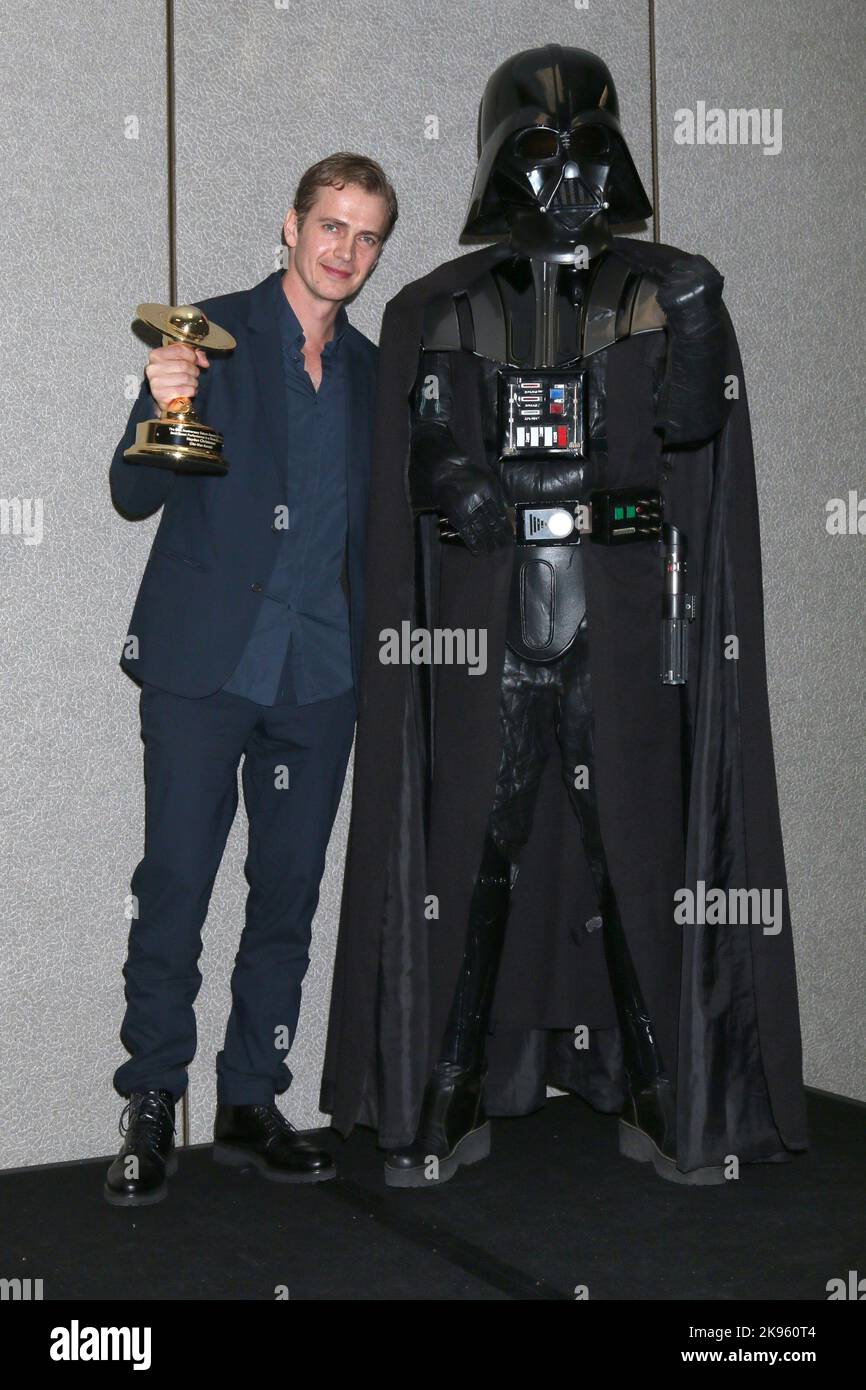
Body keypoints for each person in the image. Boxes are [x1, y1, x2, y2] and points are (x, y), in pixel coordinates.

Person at [320, 48, 807, 1187]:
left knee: (629, 855)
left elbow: (690, 436)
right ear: (501, 168)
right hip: (493, 631)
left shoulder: (659, 289)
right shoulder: (441, 306)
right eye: (540, 157)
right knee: (476, 855)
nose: (569, 182)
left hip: (622, 632)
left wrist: (688, 323)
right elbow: (425, 441)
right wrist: (456, 482)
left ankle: (658, 1085)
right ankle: (442, 1091)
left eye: (589, 154)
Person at [105, 153, 397, 1206]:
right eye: (329, 225)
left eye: (364, 236)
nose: (343, 250)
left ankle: (247, 1099)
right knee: (176, 887)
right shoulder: (206, 335)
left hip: (318, 676)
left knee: (288, 895)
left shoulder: (371, 376)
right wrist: (158, 399)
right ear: (290, 225)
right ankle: (150, 1103)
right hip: (203, 668)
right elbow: (131, 494)